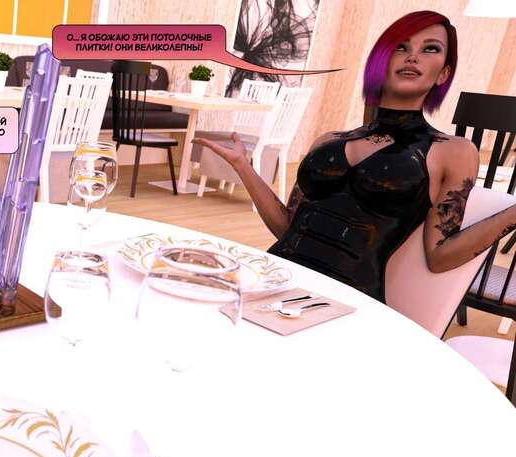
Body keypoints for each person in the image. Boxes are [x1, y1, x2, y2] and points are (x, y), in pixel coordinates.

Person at [195, 10, 516, 303]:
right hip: (274, 279)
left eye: (430, 48)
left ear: (443, 74)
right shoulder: (328, 141)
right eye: (400, 46)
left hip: (347, 301)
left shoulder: (453, 151)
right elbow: (286, 228)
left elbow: (440, 257)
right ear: (382, 61)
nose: (412, 56)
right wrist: (243, 166)